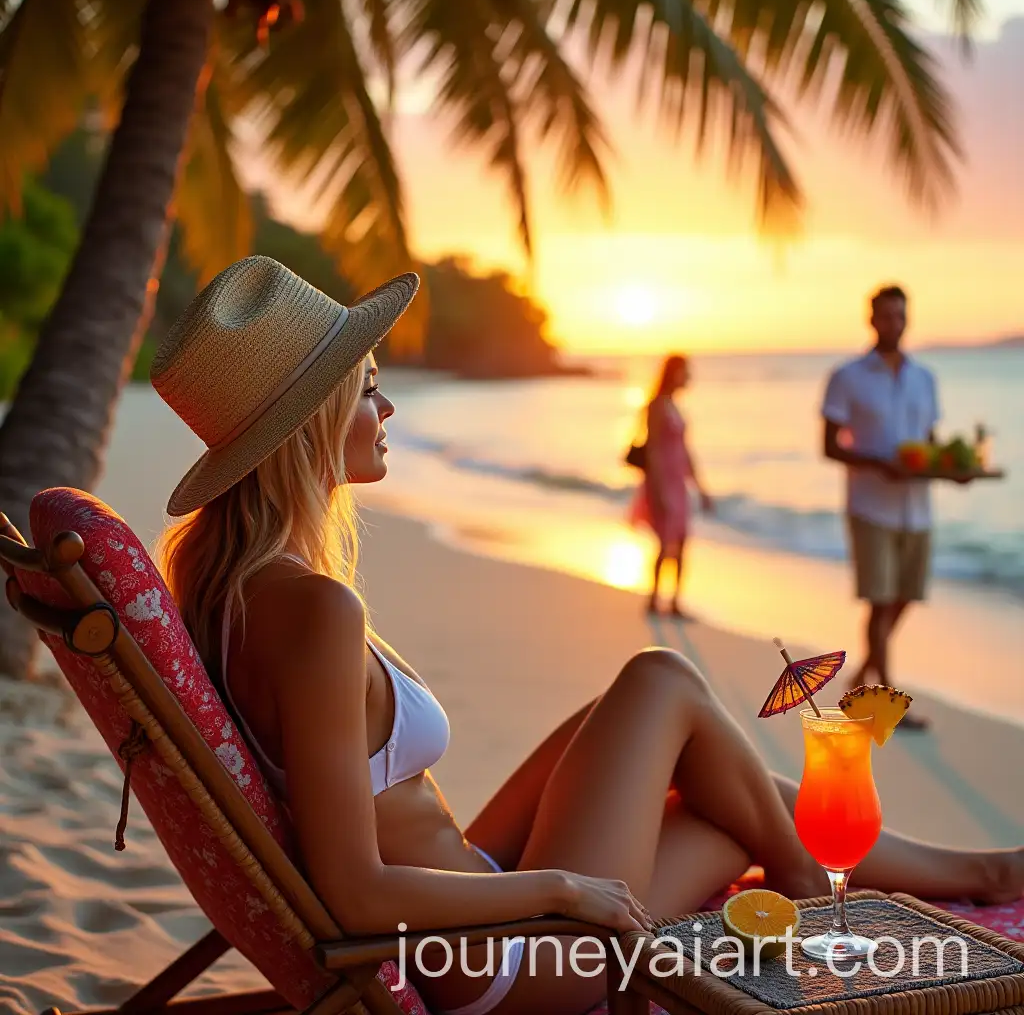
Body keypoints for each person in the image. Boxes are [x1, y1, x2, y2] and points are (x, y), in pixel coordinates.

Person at [153, 258, 1022, 1015]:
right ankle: (846, 894)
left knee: (700, 757)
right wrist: (565, 888)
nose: (387, 407)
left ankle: (972, 874)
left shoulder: (232, 588)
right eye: (370, 386)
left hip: (476, 895)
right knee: (672, 696)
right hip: (507, 964)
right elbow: (353, 890)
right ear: (313, 417)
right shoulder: (312, 611)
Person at [821, 285, 943, 728]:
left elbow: (928, 446)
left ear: (908, 319)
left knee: (905, 596)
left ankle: (859, 679)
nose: (893, 323)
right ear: (871, 319)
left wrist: (950, 467)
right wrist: (877, 463)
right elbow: (830, 446)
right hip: (870, 507)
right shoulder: (847, 376)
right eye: (885, 316)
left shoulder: (924, 378)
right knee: (879, 601)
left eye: (900, 316)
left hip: (918, 509)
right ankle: (885, 703)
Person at [629, 354, 713, 619]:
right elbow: (652, 448)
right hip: (661, 481)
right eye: (684, 371)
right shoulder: (656, 406)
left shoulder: (676, 406)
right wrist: (659, 489)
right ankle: (654, 599)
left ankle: (674, 601)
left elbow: (686, 451)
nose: (688, 376)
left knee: (682, 540)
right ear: (672, 372)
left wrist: (701, 487)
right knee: (665, 542)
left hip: (678, 482)